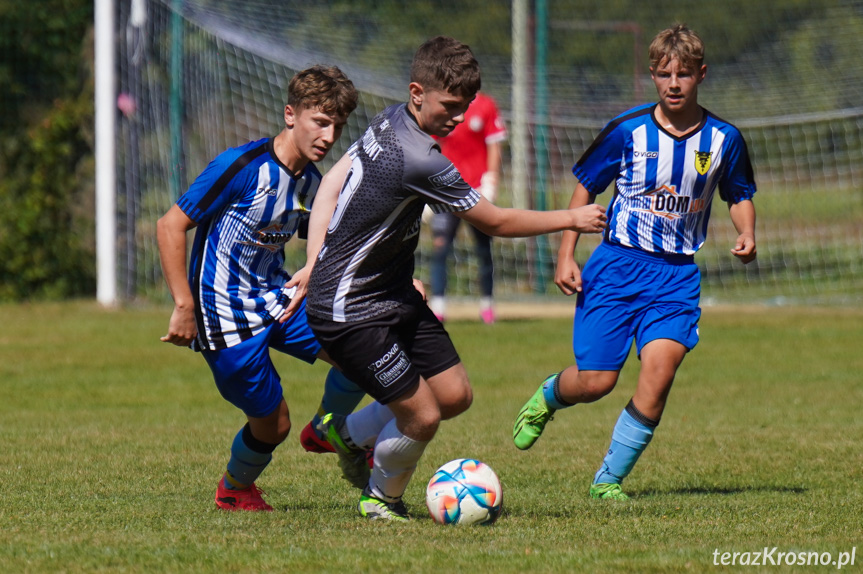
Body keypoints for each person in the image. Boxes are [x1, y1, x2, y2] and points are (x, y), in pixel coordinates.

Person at [298, 36, 607, 520]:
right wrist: (571, 219)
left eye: (465, 107)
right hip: (350, 309)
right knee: (422, 415)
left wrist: (318, 255)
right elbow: (497, 222)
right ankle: (380, 499)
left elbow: (334, 180)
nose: (460, 118)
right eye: (451, 106)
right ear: (418, 92)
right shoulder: (420, 158)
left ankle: (347, 434)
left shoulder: (388, 118)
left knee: (455, 395)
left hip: (391, 293)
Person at [512, 24, 758, 501]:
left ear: (701, 75)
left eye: (684, 74)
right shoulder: (628, 130)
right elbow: (585, 188)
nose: (673, 83)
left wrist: (747, 231)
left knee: (659, 374)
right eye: (665, 74)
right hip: (617, 266)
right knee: (597, 381)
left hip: (677, 276)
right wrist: (566, 255)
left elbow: (740, 194)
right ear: (652, 75)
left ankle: (607, 481)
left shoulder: (725, 139)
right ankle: (549, 396)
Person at [157, 65, 366, 511]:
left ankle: (328, 426)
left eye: (338, 126)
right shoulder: (239, 167)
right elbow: (170, 226)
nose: (329, 136)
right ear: (291, 115)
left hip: (278, 298)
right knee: (275, 426)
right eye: (320, 122)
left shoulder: (312, 182)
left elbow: (323, 234)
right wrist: (183, 305)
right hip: (225, 317)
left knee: (361, 348)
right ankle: (234, 489)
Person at [429, 91, 507, 324]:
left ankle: (487, 306)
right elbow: (431, 144)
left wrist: (491, 180)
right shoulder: (443, 107)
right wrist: (428, 187)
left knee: (483, 250)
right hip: (446, 191)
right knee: (440, 247)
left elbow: (494, 145)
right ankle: (438, 308)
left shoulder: (486, 105)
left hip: (477, 192)